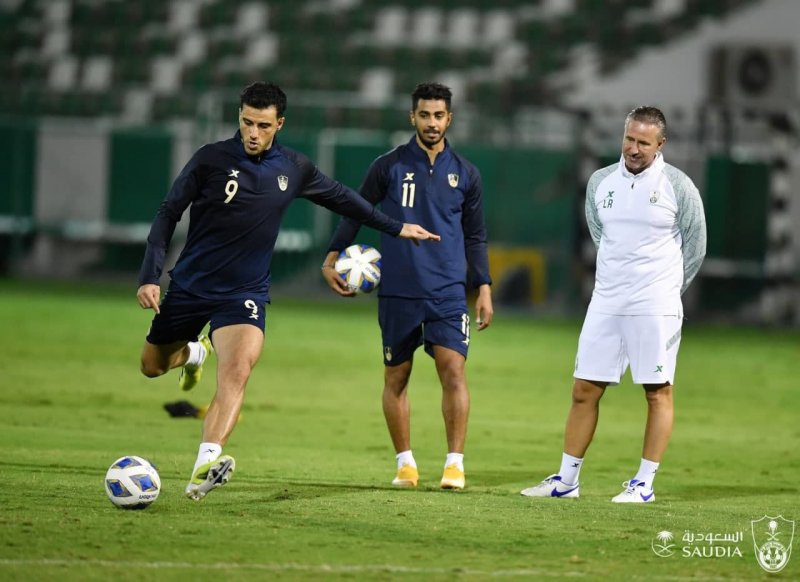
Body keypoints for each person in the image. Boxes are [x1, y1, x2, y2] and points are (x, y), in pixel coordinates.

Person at [136, 81, 440, 501]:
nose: (253, 133)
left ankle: (205, 464)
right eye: (247, 122)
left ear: (279, 123)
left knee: (237, 371)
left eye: (263, 125)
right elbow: (169, 211)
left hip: (244, 293)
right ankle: (193, 354)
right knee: (152, 366)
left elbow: (343, 199)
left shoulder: (294, 168)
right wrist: (150, 275)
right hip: (191, 286)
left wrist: (397, 227)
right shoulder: (210, 159)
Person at [521, 106, 706, 503]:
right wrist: (616, 280)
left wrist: (667, 291)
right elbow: (600, 235)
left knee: (657, 392)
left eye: (644, 143)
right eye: (629, 139)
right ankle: (566, 481)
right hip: (606, 302)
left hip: (654, 305)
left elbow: (696, 245)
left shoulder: (678, 186)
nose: (634, 149)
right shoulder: (600, 182)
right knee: (583, 389)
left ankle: (644, 484)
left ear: (660, 144)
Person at [321, 82, 493, 490]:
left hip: (448, 291)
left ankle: (454, 465)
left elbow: (475, 236)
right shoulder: (389, 166)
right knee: (396, 378)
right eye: (424, 115)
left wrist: (483, 286)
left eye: (439, 115)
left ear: (449, 119)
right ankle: (405, 465)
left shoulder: (466, 173)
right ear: (412, 116)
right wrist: (331, 257)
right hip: (399, 290)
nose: (432, 123)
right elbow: (355, 211)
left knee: (454, 372)